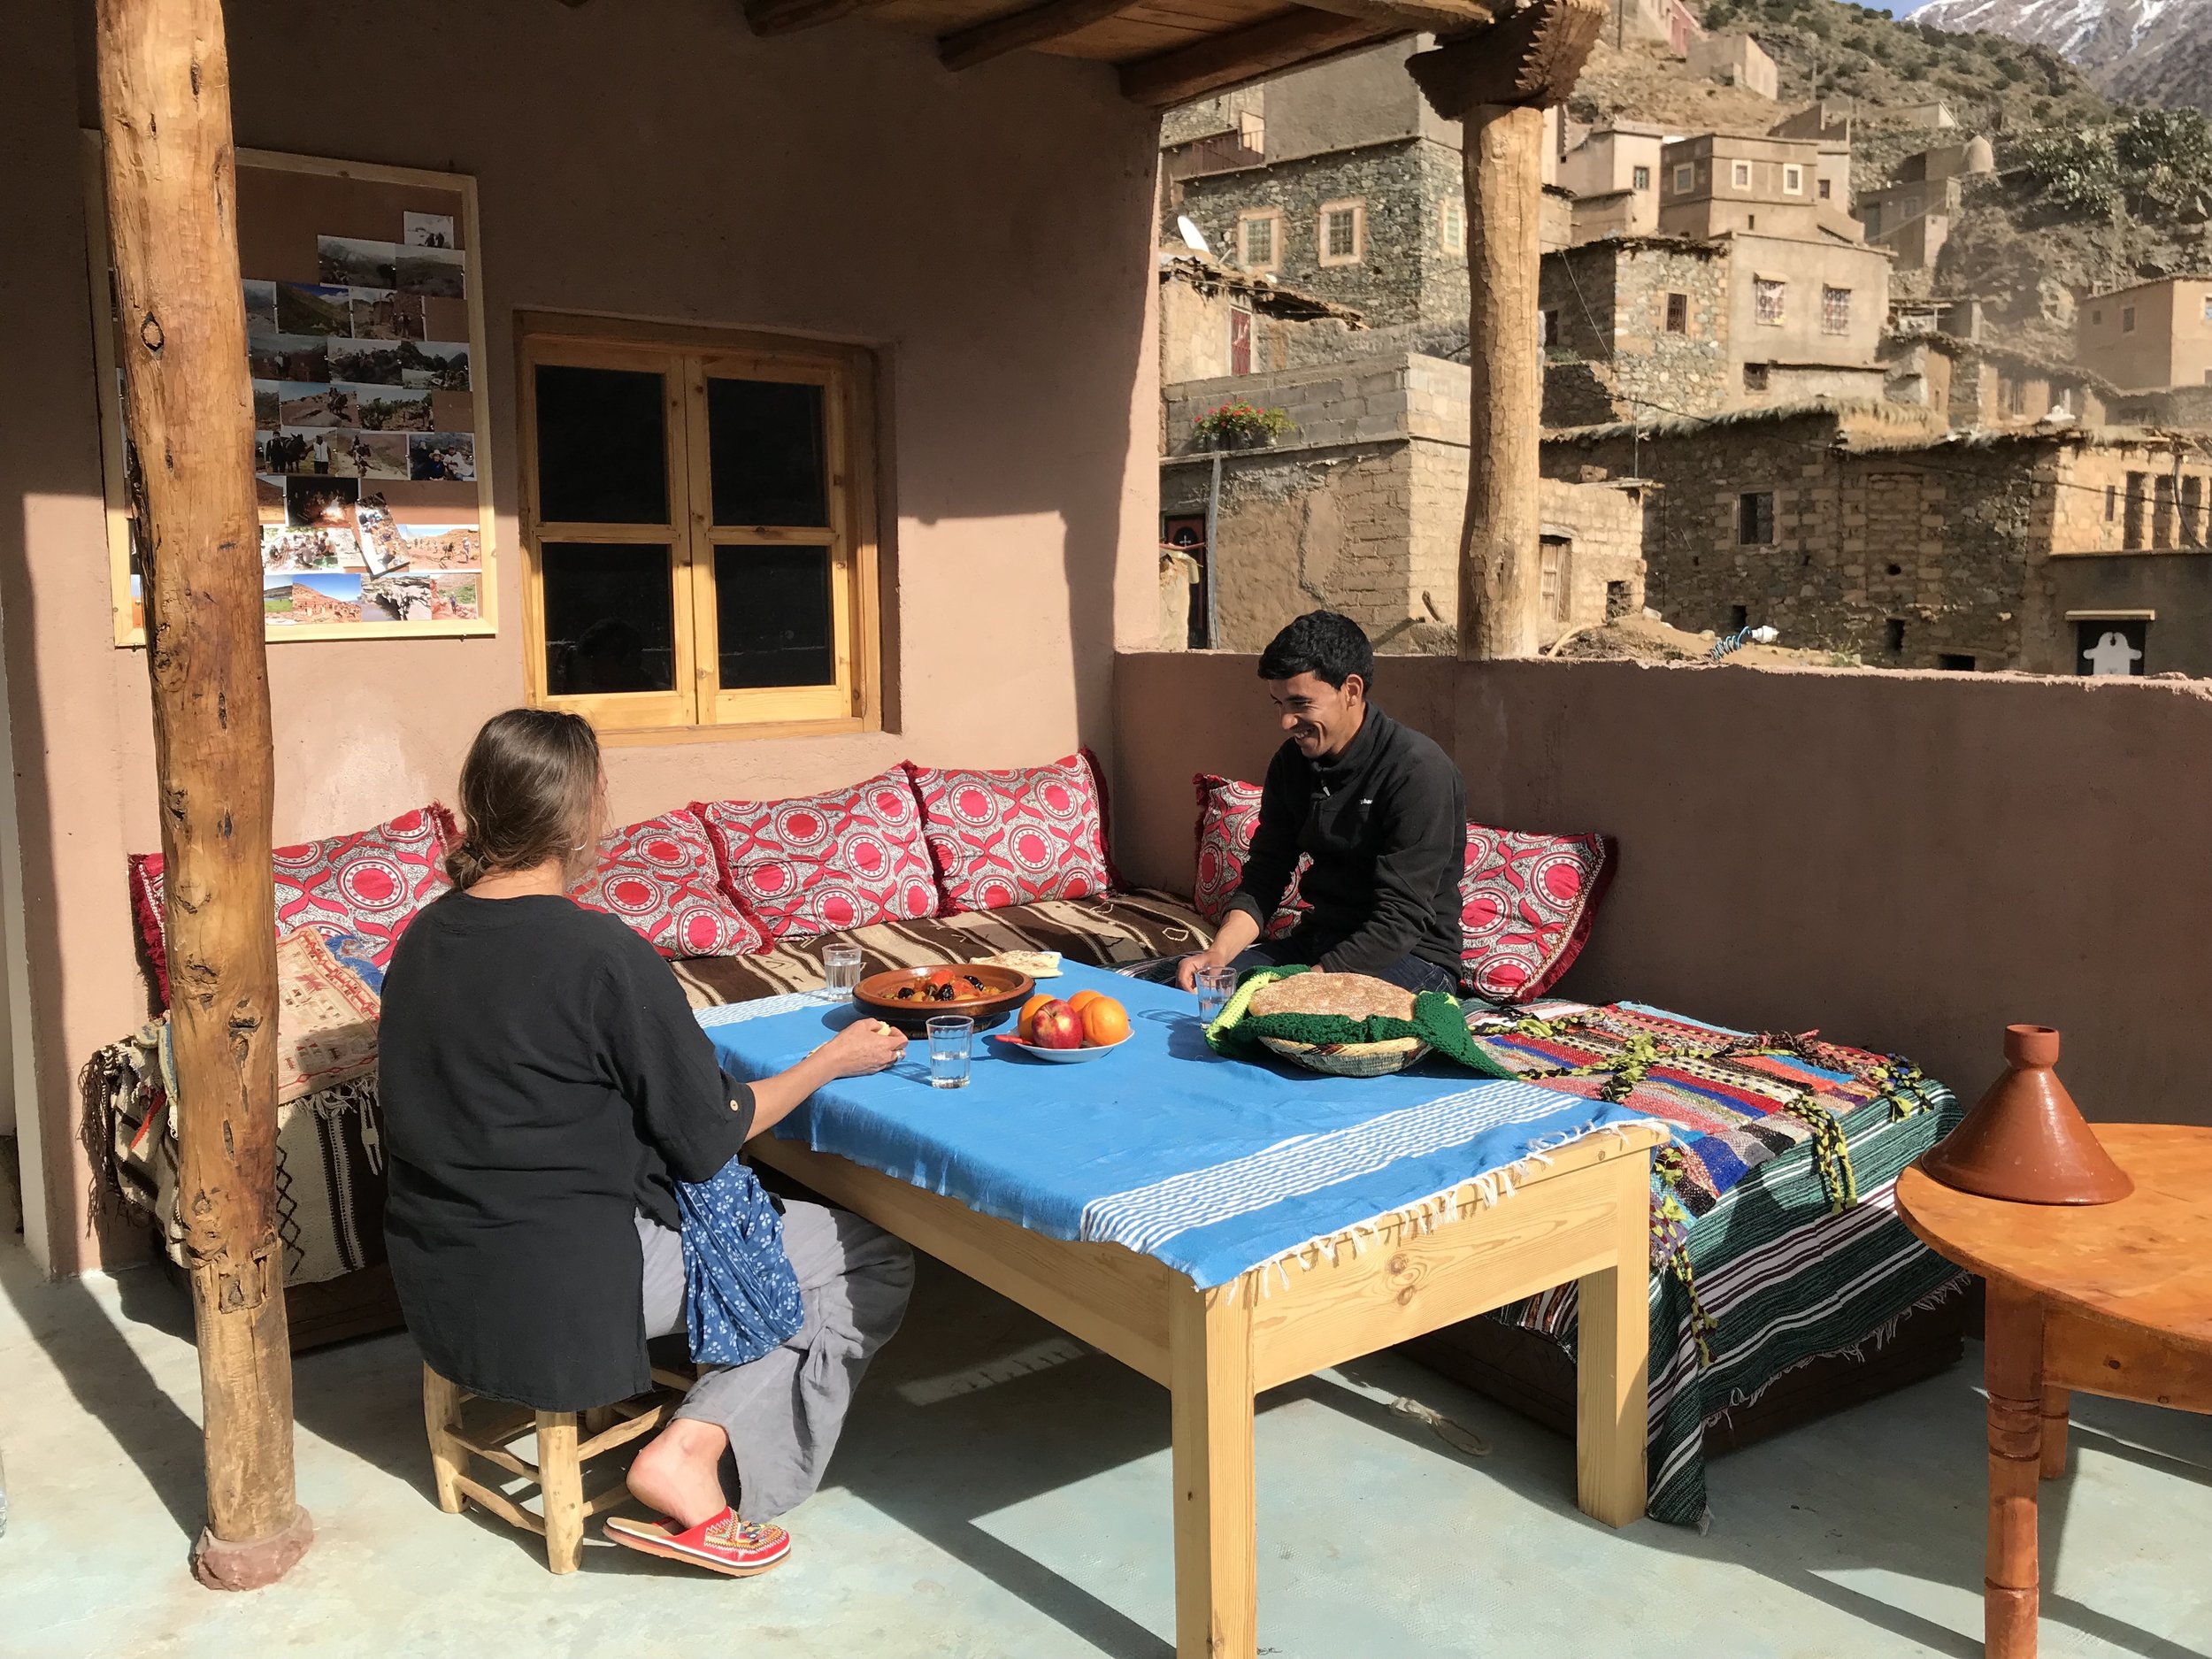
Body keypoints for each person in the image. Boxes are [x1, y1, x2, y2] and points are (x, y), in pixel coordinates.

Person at [379, 708, 914, 1578]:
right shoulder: (599, 953)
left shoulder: (422, 938)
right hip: (563, 1287)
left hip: (441, 1273)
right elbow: (710, 1133)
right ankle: (690, 1453)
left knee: (724, 1225)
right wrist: (830, 1061)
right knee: (865, 1257)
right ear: (582, 809)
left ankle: (693, 1424)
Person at [1178, 611, 1467, 996]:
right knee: (1193, 988)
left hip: (1413, 958)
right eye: (1278, 704)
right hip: (1321, 942)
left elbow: (1402, 916)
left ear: (1351, 691)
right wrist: (1219, 954)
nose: (1285, 722)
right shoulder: (1291, 764)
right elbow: (1266, 873)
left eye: (1300, 703)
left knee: (1274, 1016)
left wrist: (1305, 988)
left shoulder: (1417, 771)